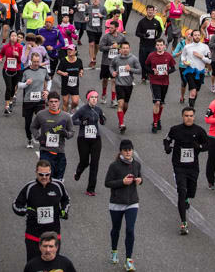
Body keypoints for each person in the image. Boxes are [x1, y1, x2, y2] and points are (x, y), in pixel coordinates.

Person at [13, 159, 71, 261]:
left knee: (53, 266)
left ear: (50, 173)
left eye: (47, 174)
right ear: (36, 173)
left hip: (53, 235)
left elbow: (66, 200)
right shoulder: (29, 187)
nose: (44, 177)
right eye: (41, 174)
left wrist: (64, 211)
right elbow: (16, 205)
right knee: (34, 265)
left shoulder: (58, 185)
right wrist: (26, 211)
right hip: (34, 236)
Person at [163, 106, 208, 234]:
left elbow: (207, 144)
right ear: (183, 117)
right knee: (181, 192)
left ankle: (188, 198)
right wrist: (167, 147)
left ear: (194, 117)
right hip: (179, 166)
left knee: (191, 192)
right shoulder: (175, 129)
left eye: (191, 116)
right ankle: (183, 223)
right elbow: (167, 140)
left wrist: (199, 146)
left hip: (193, 167)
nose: (189, 118)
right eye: (186, 116)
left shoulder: (199, 131)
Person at [105, 139, 142, 271]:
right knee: (116, 229)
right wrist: (122, 182)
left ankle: (128, 260)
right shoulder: (114, 166)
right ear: (121, 151)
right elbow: (107, 183)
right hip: (116, 203)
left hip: (132, 202)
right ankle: (114, 251)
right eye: (125, 150)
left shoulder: (137, 164)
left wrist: (139, 180)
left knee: (130, 230)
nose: (128, 152)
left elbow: (140, 177)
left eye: (130, 150)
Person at [31, 91, 75, 179]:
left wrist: (65, 134)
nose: (54, 104)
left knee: (58, 178)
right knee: (46, 177)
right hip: (45, 150)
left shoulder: (66, 116)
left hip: (59, 151)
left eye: (56, 101)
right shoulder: (41, 114)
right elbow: (33, 127)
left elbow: (72, 132)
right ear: (48, 102)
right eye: (51, 101)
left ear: (59, 102)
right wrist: (38, 137)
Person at [73, 90, 106, 196]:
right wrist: (82, 122)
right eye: (92, 97)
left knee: (94, 164)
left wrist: (103, 120)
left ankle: (90, 189)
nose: (94, 99)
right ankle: (78, 171)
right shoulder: (82, 110)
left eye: (96, 97)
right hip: (83, 139)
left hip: (96, 139)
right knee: (85, 161)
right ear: (88, 99)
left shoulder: (98, 109)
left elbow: (102, 121)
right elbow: (73, 120)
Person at [20, 52, 50, 149]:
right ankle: (29, 139)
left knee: (42, 119)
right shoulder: (25, 71)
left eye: (38, 61)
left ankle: (39, 137)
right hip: (28, 100)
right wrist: (26, 84)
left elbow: (49, 80)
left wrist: (47, 91)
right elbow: (19, 85)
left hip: (40, 100)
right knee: (28, 122)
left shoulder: (43, 70)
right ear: (31, 61)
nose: (36, 64)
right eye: (34, 62)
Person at [110, 41, 140, 133]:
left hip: (129, 85)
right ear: (120, 50)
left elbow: (139, 70)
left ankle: (121, 119)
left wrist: (130, 69)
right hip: (119, 85)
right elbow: (111, 66)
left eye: (127, 48)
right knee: (120, 104)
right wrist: (113, 73)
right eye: (123, 48)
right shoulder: (116, 59)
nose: (125, 50)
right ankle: (122, 123)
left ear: (129, 49)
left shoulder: (133, 59)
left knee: (125, 106)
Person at [179, 29, 211, 109]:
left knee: (196, 92)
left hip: (200, 72)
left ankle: (191, 104)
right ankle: (190, 109)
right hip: (190, 71)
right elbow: (183, 56)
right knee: (192, 92)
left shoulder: (205, 47)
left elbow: (209, 60)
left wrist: (201, 56)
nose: (197, 36)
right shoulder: (187, 47)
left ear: (201, 36)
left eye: (198, 35)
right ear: (192, 36)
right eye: (195, 35)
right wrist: (184, 61)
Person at [134, 5, 163, 84]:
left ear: (154, 11)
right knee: (143, 61)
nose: (150, 12)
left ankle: (150, 75)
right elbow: (137, 33)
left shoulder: (156, 22)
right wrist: (143, 35)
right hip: (143, 45)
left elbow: (160, 30)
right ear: (146, 11)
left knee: (151, 61)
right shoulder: (142, 22)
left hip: (152, 45)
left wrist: (157, 36)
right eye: (149, 10)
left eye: (151, 10)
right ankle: (143, 76)